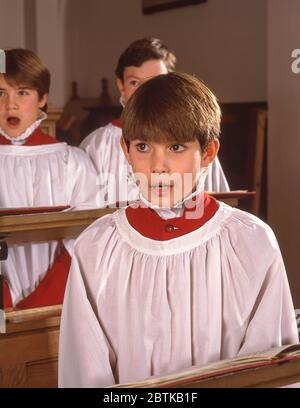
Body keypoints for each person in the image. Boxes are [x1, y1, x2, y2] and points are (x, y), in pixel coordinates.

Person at [59, 72, 298, 387]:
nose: (158, 166)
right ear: (125, 150)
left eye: (175, 147)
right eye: (143, 146)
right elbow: (85, 368)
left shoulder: (251, 242)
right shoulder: (98, 247)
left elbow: (267, 365)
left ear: (208, 153)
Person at [0, 48, 98, 309]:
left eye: (22, 92)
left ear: (42, 98)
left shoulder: (72, 162)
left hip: (58, 302)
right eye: (1, 93)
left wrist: (40, 302)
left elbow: (86, 240)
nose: (10, 104)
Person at [80, 37, 229, 207]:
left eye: (156, 81)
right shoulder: (96, 145)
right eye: (135, 83)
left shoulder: (195, 144)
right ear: (121, 86)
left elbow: (217, 203)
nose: (147, 91)